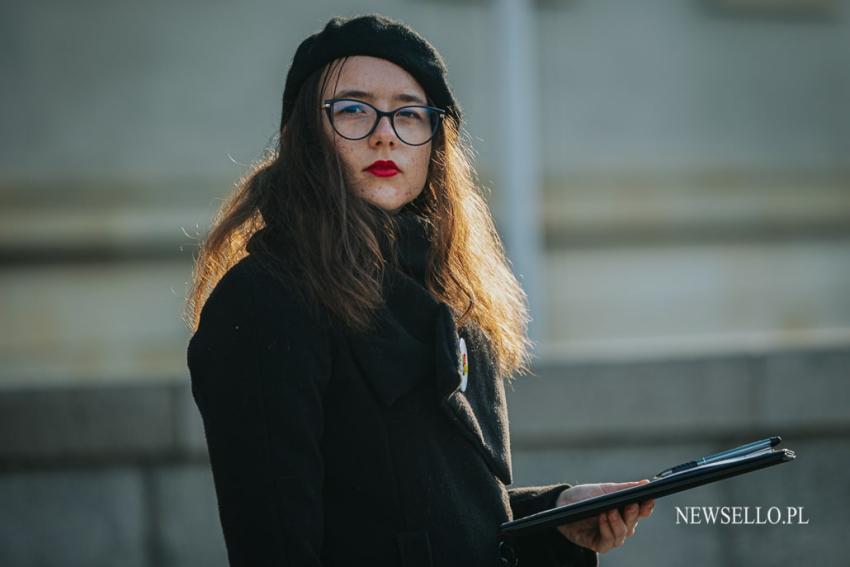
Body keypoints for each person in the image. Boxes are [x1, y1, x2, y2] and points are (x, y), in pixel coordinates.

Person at [185, 13, 654, 567]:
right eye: (353, 109)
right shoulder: (265, 301)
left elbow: (442, 518)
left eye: (409, 114)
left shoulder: (451, 289)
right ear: (304, 136)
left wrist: (557, 514)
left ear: (435, 142)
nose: (385, 133)